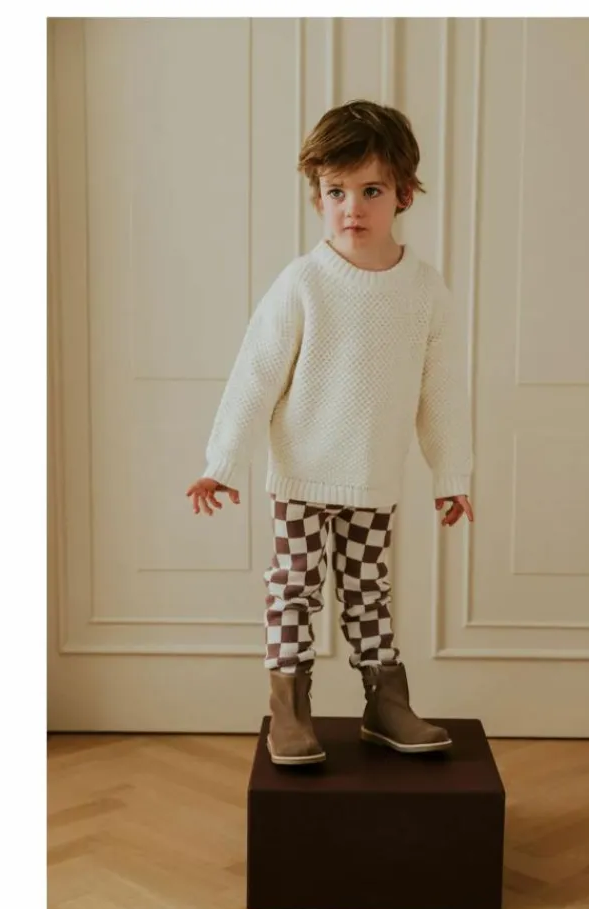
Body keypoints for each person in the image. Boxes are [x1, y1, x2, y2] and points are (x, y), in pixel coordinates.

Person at [186, 100, 474, 767]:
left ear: (404, 194)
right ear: (317, 195)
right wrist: (222, 462)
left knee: (369, 592)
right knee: (293, 589)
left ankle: (386, 704)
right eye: (336, 192)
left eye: (371, 191)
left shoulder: (426, 292)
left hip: (373, 478)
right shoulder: (304, 283)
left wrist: (451, 475)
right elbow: (255, 375)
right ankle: (290, 710)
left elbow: (442, 393)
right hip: (301, 477)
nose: (352, 208)